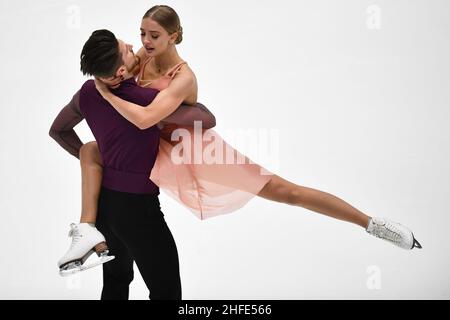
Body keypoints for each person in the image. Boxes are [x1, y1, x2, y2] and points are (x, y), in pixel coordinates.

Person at [49, 29, 216, 299]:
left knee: (116, 281)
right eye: (126, 50)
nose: (131, 45)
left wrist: (96, 158)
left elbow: (58, 131)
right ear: (119, 73)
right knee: (167, 291)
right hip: (139, 211)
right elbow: (208, 118)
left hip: (103, 206)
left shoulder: (88, 92)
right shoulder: (147, 102)